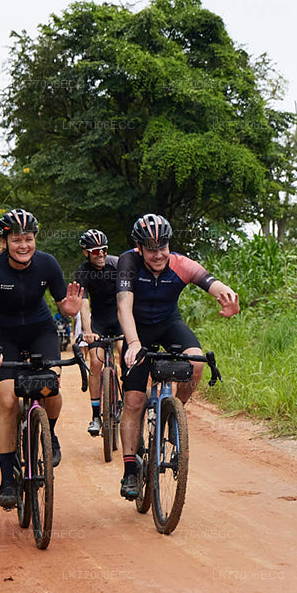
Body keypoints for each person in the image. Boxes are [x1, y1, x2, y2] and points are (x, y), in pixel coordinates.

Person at [115, 214, 240, 499]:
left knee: (197, 361)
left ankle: (174, 410)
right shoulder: (128, 263)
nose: (158, 254)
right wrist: (133, 343)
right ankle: (130, 469)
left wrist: (229, 298)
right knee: (133, 400)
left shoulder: (181, 264)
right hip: (138, 329)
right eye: (151, 248)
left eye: (163, 247)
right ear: (139, 248)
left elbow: (211, 282)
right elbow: (124, 307)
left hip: (169, 324)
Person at [0, 209, 83, 508]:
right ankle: (7, 480)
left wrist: (70, 309)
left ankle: (49, 433)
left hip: (40, 331)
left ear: (35, 238)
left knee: (50, 386)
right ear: (4, 240)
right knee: (8, 401)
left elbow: (63, 305)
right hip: (6, 337)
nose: (23, 245)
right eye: (16, 239)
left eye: (28, 238)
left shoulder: (47, 263)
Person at [73, 228, 120, 437]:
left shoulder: (117, 264)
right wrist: (88, 331)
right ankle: (95, 416)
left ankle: (127, 401)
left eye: (103, 250)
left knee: (127, 356)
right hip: (99, 321)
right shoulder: (83, 271)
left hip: (119, 318)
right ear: (86, 253)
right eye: (95, 251)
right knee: (95, 362)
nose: (100, 254)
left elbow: (129, 296)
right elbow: (84, 305)